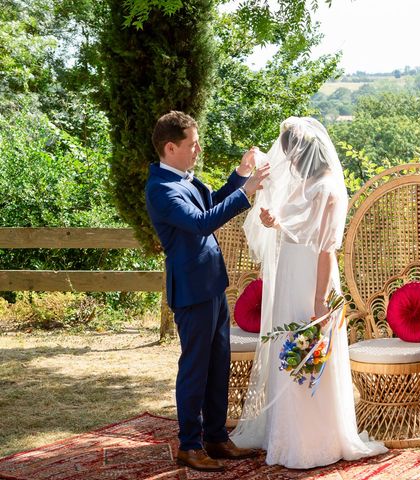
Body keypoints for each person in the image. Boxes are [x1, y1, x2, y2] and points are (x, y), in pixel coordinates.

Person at [230, 117, 387, 469]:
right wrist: (273, 222)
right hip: (289, 277)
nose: (290, 162)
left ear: (304, 153)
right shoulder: (302, 184)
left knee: (310, 349)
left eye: (292, 155)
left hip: (312, 281)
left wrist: (320, 301)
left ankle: (315, 440)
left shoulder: (327, 188)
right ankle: (285, 436)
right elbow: (289, 227)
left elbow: (326, 249)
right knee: (289, 350)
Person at [145, 111, 269, 472]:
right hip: (191, 291)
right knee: (195, 369)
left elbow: (212, 203)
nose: (198, 148)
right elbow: (201, 224)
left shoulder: (184, 180)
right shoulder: (161, 189)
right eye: (192, 143)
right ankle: (189, 445)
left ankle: (216, 437)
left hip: (213, 284)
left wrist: (240, 175)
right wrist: (246, 192)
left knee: (219, 366)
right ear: (170, 147)